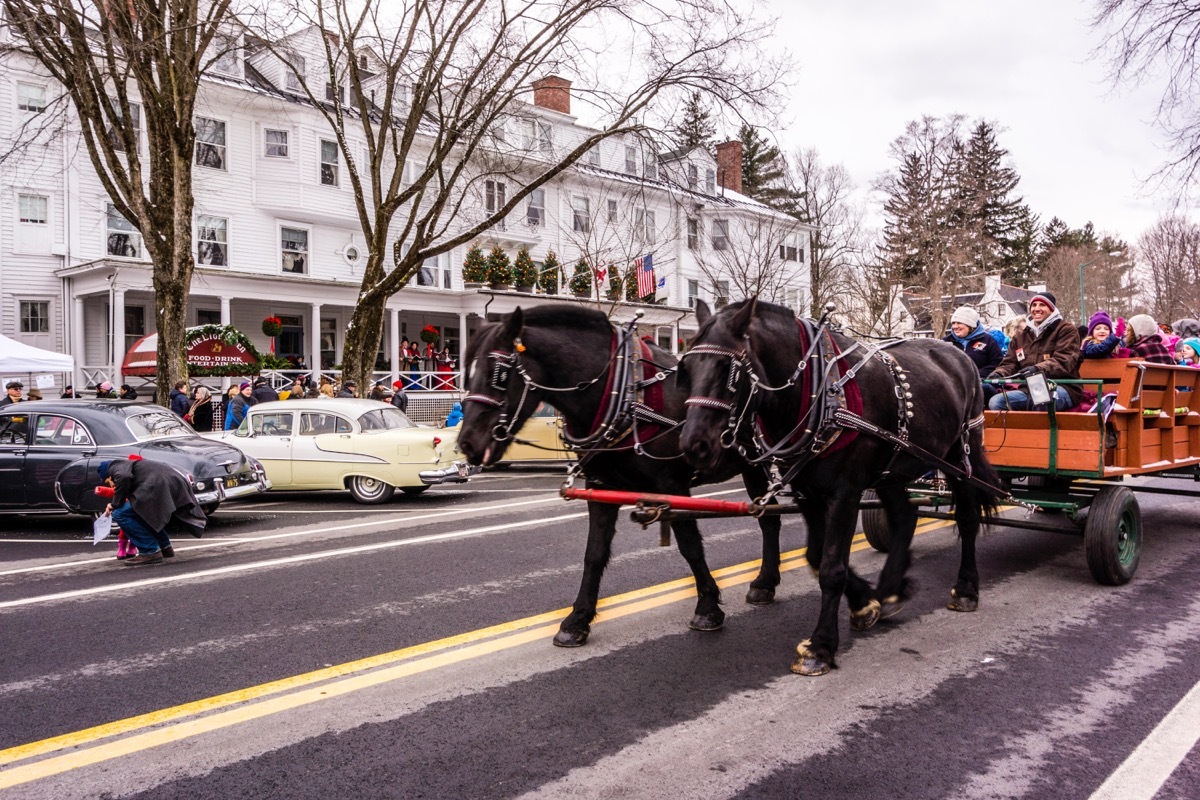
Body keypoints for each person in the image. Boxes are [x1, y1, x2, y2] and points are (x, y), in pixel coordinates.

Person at [100, 457, 206, 566]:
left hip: (159, 485)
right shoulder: (128, 465)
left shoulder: (115, 468)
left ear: (109, 476)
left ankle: (149, 551)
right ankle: (164, 547)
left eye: (108, 482)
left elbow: (124, 477)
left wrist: (114, 505)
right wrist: (116, 503)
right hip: (172, 481)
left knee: (120, 513)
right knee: (141, 512)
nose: (111, 486)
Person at [987, 292, 1083, 411]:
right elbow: (1010, 363)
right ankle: (1015, 430)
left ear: (1052, 309)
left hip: (1061, 386)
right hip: (1029, 389)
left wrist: (1037, 369)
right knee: (997, 402)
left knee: (1042, 400)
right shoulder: (1021, 337)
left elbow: (1064, 360)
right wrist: (999, 373)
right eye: (1034, 305)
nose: (1037, 309)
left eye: (1042, 305)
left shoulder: (1066, 330)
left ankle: (1044, 430)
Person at [942, 306, 1002, 379]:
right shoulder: (945, 342)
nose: (955, 326)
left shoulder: (987, 340)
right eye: (953, 323)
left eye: (959, 323)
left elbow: (997, 362)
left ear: (971, 325)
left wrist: (976, 375)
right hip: (953, 385)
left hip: (981, 383)